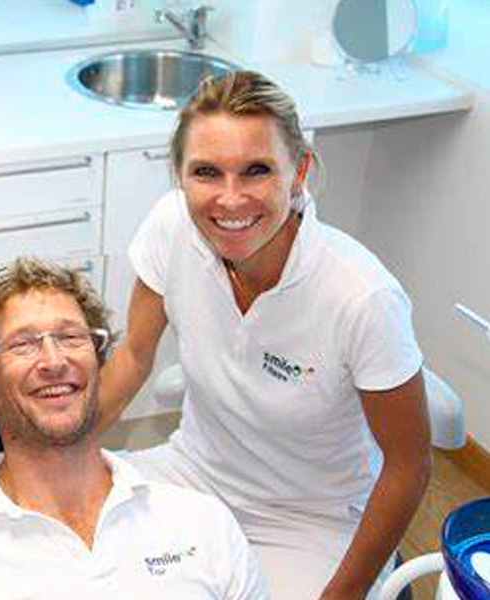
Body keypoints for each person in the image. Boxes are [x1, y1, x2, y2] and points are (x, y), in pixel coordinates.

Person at [97, 70, 432, 600]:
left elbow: (409, 466)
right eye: (206, 172)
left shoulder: (362, 296)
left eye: (256, 170)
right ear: (179, 175)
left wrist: (340, 597)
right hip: (193, 472)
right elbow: (134, 355)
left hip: (315, 521)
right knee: (62, 544)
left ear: (299, 171)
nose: (230, 200)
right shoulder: (172, 227)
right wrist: (48, 460)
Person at [0, 257, 268, 600]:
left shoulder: (202, 525)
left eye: (70, 337)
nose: (54, 361)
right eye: (22, 344)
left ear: (98, 364)